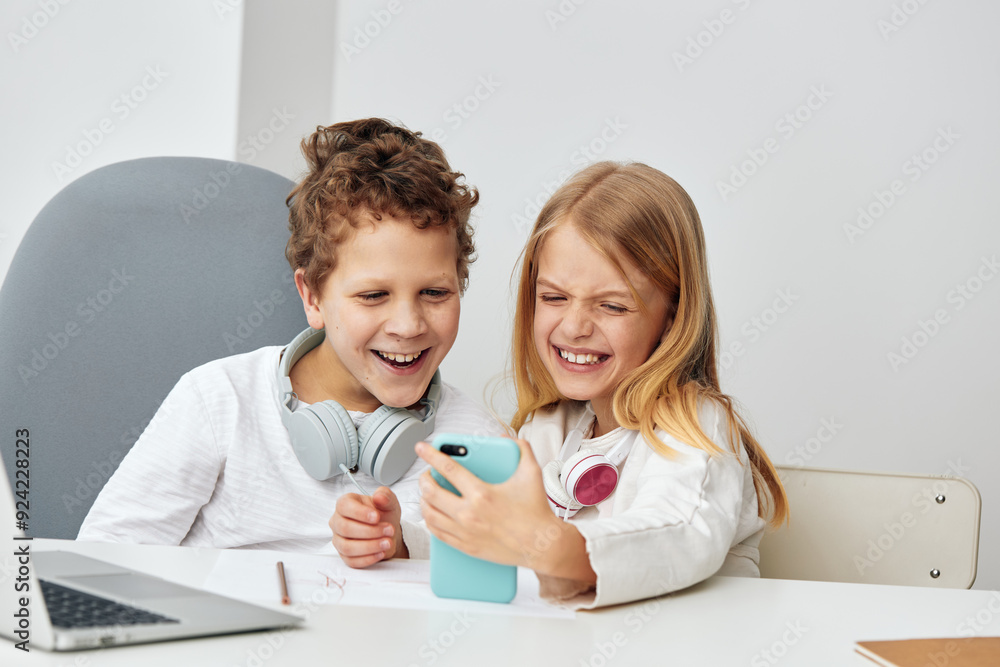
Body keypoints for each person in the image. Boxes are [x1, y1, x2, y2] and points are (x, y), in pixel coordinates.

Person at [78, 118, 504, 565]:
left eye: (435, 293)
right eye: (374, 295)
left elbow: (499, 589)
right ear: (312, 296)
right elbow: (101, 561)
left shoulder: (478, 441)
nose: (408, 325)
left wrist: (404, 547)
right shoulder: (221, 401)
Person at [416, 161, 788, 609]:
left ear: (672, 317)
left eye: (611, 306)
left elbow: (676, 533)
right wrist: (401, 540)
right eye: (553, 297)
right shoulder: (548, 429)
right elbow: (494, 537)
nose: (574, 327)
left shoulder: (697, 427)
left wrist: (549, 543)